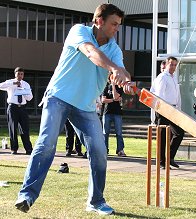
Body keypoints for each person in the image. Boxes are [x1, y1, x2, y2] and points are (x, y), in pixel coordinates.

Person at [15, 4, 135, 215]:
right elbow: (91, 52)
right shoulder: (78, 31)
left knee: (99, 152)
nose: (117, 29)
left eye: (119, 25)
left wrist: (125, 79)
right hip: (58, 97)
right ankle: (27, 195)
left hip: (86, 106)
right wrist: (113, 69)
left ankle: (96, 201)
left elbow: (121, 70)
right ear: (99, 21)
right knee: (47, 143)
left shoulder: (115, 49)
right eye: (114, 24)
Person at [150, 56, 184, 169]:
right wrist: (161, 110)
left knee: (179, 133)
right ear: (166, 65)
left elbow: (177, 95)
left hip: (173, 109)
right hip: (163, 109)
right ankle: (161, 162)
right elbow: (158, 95)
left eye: (175, 65)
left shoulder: (174, 78)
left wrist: (178, 109)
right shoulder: (162, 77)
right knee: (162, 136)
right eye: (171, 64)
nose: (173, 67)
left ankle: (170, 158)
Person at [0, 67, 33, 155]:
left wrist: (23, 90)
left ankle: (28, 149)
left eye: (22, 74)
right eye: (18, 74)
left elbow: (30, 98)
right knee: (13, 128)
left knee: (25, 129)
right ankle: (14, 149)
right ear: (15, 74)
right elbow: (0, 86)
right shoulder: (10, 82)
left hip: (22, 108)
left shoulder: (26, 84)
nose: (20, 76)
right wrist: (13, 83)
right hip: (13, 107)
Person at [101, 74, 126, 156]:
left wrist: (114, 86)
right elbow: (103, 100)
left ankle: (120, 150)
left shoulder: (119, 87)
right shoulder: (106, 87)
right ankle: (104, 149)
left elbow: (116, 96)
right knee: (105, 132)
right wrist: (113, 100)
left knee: (118, 132)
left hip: (117, 112)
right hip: (107, 112)